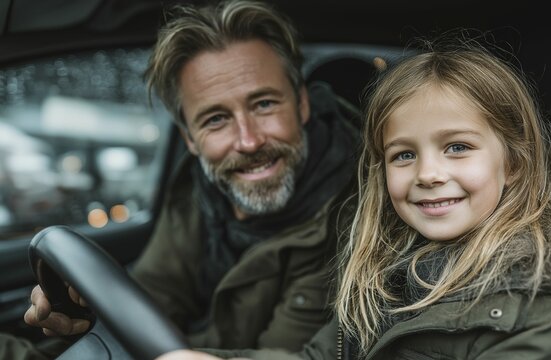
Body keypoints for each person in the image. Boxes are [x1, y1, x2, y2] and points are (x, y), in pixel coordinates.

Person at [165, 39, 551, 359]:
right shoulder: (391, 272)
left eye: (457, 148)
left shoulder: (543, 314)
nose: (429, 174)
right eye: (403, 155)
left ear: (514, 163)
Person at [14, 0, 360, 358]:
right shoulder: (201, 189)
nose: (249, 140)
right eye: (215, 120)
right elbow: (153, 298)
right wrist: (89, 316)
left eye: (264, 104)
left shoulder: (356, 218)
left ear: (302, 103)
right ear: (190, 140)